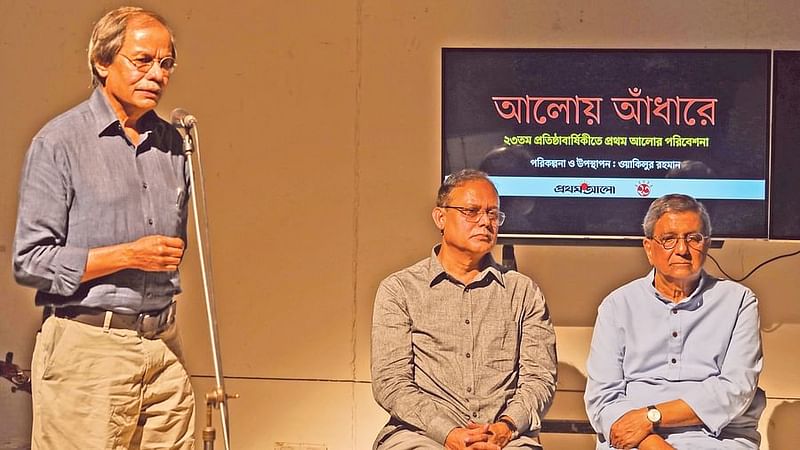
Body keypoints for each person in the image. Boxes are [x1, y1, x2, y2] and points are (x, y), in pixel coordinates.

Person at [12, 7, 195, 449]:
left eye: (166, 63)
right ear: (102, 61)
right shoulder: (59, 142)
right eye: (143, 60)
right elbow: (30, 261)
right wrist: (128, 255)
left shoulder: (174, 144)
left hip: (163, 344)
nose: (157, 74)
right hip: (88, 349)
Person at [371, 169, 558, 449]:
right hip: (422, 435)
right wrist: (448, 433)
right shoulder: (400, 289)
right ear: (440, 218)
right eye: (471, 211)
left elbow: (539, 378)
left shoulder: (523, 292)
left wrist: (506, 426)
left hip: (504, 438)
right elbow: (391, 383)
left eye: (493, 214)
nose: (485, 222)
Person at [584, 194, 765, 449]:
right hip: (637, 441)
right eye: (669, 239)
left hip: (720, 439)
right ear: (649, 248)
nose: (682, 249)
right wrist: (653, 442)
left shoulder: (739, 302)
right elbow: (602, 399)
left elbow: (736, 388)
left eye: (693, 238)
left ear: (707, 244)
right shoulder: (617, 305)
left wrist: (651, 416)